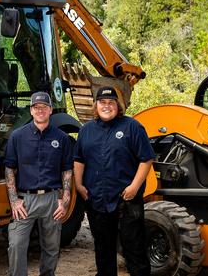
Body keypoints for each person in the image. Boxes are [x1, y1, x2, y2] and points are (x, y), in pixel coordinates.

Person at [74, 86, 155, 276]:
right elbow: (78, 159)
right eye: (102, 102)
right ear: (96, 105)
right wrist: (78, 185)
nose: (107, 106)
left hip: (126, 200)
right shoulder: (86, 130)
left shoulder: (132, 127)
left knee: (133, 248)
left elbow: (146, 158)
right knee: (103, 249)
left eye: (111, 103)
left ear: (118, 106)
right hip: (96, 200)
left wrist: (134, 187)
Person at [4, 91, 73, 276]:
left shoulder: (62, 138)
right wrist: (13, 200)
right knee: (17, 245)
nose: (40, 110)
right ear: (31, 110)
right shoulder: (17, 136)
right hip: (24, 201)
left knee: (51, 248)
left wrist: (64, 200)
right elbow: (10, 169)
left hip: (52, 200)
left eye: (44, 107)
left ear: (50, 110)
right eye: (36, 107)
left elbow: (67, 170)